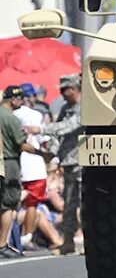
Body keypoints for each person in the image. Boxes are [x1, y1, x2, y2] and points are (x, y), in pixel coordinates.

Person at [35, 75, 82, 255]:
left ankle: (89, 240)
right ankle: (68, 241)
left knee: (85, 204)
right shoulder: (65, 108)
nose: (62, 94)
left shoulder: (83, 108)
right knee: (70, 204)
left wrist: (42, 129)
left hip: (82, 162)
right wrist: (53, 152)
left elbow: (69, 126)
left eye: (64, 90)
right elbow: (58, 133)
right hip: (68, 162)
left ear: (73, 88)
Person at [1, 86, 46, 258]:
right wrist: (42, 154)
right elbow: (21, 144)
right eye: (20, 99)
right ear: (14, 100)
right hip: (9, 162)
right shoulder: (11, 118)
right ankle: (3, 244)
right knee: (8, 203)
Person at [13, 93, 50, 249]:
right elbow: (45, 142)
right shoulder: (36, 115)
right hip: (34, 166)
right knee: (32, 204)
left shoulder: (11, 114)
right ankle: (26, 236)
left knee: (13, 204)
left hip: (16, 165)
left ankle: (14, 237)